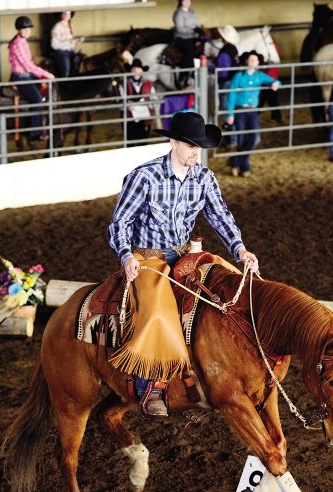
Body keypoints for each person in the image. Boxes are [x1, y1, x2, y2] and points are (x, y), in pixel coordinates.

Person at [107, 111, 259, 418]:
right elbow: (119, 222)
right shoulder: (144, 176)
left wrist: (240, 250)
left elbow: (220, 217)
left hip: (184, 254)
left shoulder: (204, 177)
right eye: (191, 145)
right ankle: (149, 385)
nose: (196, 151)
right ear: (173, 142)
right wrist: (125, 256)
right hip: (147, 256)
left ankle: (205, 381)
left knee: (223, 295)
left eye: (199, 146)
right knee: (157, 311)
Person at [225, 50, 281, 177]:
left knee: (256, 138)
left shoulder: (260, 76)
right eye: (250, 60)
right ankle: (244, 167)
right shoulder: (239, 76)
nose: (253, 62)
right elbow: (232, 94)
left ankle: (235, 161)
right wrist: (230, 114)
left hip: (252, 111)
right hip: (239, 110)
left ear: (258, 62)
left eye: (255, 60)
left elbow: (276, 82)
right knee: (241, 139)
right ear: (246, 61)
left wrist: (276, 83)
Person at [8, 16, 55, 146]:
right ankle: (33, 132)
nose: (28, 31)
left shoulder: (22, 41)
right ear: (19, 30)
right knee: (36, 99)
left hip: (27, 74)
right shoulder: (18, 44)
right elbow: (28, 66)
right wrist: (46, 74)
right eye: (25, 29)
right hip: (21, 76)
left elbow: (29, 63)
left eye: (29, 28)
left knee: (44, 88)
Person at [209, 25, 240, 149]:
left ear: (223, 37)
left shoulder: (225, 51)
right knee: (231, 110)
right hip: (233, 82)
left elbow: (222, 71)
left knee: (226, 110)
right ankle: (235, 138)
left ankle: (232, 140)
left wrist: (209, 67)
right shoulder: (233, 48)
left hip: (225, 83)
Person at [120, 58, 157, 144]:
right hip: (129, 116)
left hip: (143, 116)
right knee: (130, 141)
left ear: (141, 70)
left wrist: (148, 106)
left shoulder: (149, 84)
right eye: (133, 68)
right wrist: (127, 106)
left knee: (143, 141)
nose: (135, 70)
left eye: (138, 68)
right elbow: (121, 99)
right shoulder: (124, 83)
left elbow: (154, 99)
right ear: (131, 70)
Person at [172, 0, 202, 88]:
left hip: (193, 37)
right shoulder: (178, 13)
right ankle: (183, 75)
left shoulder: (192, 12)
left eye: (188, 1)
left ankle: (196, 74)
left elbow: (197, 24)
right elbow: (179, 28)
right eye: (185, 0)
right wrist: (193, 30)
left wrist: (199, 30)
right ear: (181, 2)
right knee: (189, 52)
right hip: (181, 37)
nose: (187, 2)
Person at [51, 11, 85, 77]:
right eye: (64, 13)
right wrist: (70, 42)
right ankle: (64, 83)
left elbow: (70, 40)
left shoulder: (70, 26)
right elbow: (54, 44)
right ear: (61, 14)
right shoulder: (57, 27)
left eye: (68, 13)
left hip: (71, 51)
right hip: (61, 52)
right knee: (66, 71)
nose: (67, 15)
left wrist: (77, 40)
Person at [259, 42, 283, 125]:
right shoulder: (271, 47)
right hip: (269, 77)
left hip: (270, 78)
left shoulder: (270, 47)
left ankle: (276, 117)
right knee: (270, 99)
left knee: (268, 99)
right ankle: (276, 117)